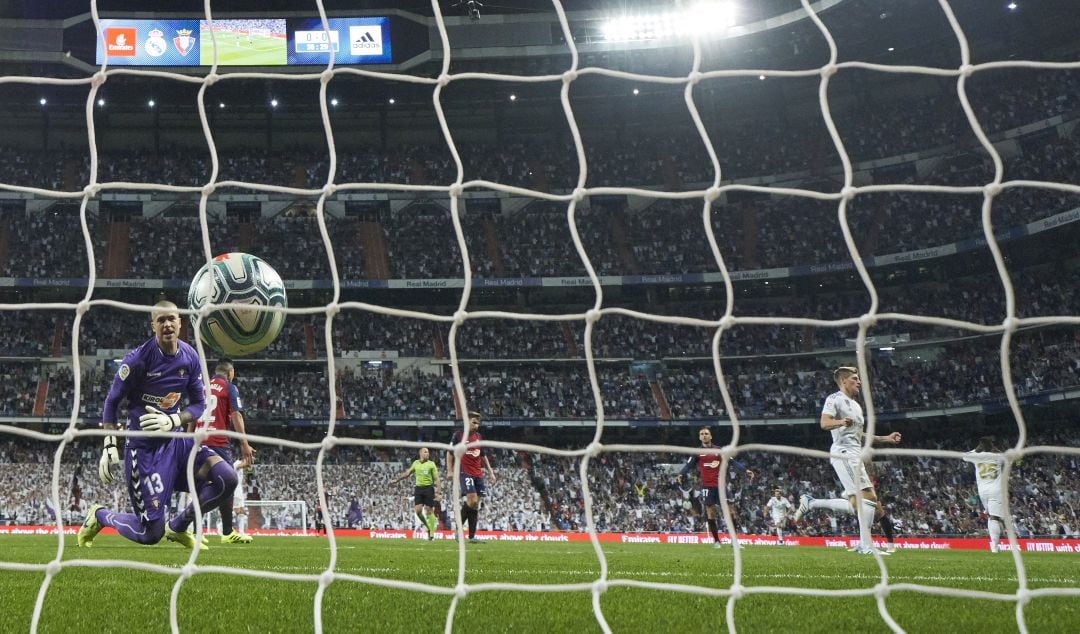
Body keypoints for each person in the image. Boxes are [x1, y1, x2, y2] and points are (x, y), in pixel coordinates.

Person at [77, 300, 238, 551]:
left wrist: (173, 420)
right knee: (150, 533)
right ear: (153, 326)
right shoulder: (138, 360)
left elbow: (199, 404)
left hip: (176, 443)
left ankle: (179, 526)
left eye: (171, 319)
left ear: (180, 323)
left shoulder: (190, 357)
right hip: (144, 452)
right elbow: (112, 402)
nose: (167, 324)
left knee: (227, 478)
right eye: (161, 320)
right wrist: (109, 444)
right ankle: (100, 515)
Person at [793, 366, 901, 555]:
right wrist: (840, 422)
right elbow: (824, 423)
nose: (858, 382)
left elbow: (860, 434)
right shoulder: (834, 399)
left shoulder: (856, 406)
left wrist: (886, 438)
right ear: (844, 381)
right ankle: (866, 546)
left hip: (854, 454)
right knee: (870, 498)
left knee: (855, 506)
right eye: (854, 379)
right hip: (843, 453)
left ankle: (811, 503)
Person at [193, 358, 255, 544]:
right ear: (230, 372)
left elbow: (192, 416)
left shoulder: (201, 386)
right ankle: (227, 532)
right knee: (228, 483)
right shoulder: (229, 387)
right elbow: (236, 415)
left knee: (201, 486)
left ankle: (197, 533)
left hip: (198, 443)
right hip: (217, 443)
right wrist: (244, 444)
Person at [676, 426, 755, 548]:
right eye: (702, 434)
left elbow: (732, 461)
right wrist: (681, 474)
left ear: (711, 436)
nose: (704, 435)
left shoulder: (719, 450)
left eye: (706, 433)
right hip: (707, 487)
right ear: (699, 437)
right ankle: (716, 541)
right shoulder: (697, 452)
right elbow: (688, 465)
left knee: (732, 512)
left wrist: (746, 471)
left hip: (721, 486)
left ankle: (734, 541)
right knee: (711, 514)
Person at [446, 411, 495, 543]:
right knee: (472, 501)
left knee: (474, 505)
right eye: (474, 422)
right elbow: (449, 453)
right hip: (465, 471)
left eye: (478, 423)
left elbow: (482, 455)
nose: (477, 425)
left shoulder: (479, 436)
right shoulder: (458, 435)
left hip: (478, 473)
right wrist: (449, 470)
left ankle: (472, 536)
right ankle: (458, 529)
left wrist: (490, 471)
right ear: (467, 422)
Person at [963, 436, 1007, 553]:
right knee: (995, 518)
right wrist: (996, 449)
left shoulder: (977, 456)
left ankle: (994, 544)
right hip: (996, 490)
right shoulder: (997, 456)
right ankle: (994, 546)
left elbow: (964, 456)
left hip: (982, 491)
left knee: (991, 517)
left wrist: (977, 449)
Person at [390, 447, 441, 540]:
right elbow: (407, 473)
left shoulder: (431, 464)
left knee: (429, 510)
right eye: (425, 452)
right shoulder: (416, 463)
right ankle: (429, 528)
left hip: (429, 488)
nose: (427, 454)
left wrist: (439, 493)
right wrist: (396, 480)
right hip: (418, 489)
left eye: (428, 452)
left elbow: (437, 478)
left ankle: (432, 534)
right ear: (420, 453)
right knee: (418, 511)